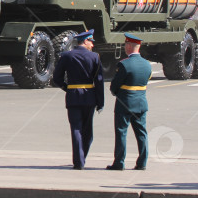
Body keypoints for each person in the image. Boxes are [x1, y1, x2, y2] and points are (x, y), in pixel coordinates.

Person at [52, 29, 104, 169]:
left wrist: (67, 88)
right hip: (89, 97)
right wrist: (101, 102)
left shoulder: (67, 56)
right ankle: (82, 158)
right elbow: (99, 82)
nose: (92, 45)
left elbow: (57, 78)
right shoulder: (94, 57)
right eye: (91, 42)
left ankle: (78, 161)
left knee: (76, 129)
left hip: (73, 96)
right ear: (85, 41)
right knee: (87, 132)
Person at [107, 33, 152, 171]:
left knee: (121, 132)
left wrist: (116, 93)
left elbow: (114, 85)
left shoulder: (124, 64)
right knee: (141, 133)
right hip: (141, 103)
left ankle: (119, 162)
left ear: (128, 46)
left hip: (125, 103)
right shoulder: (147, 65)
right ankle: (142, 162)